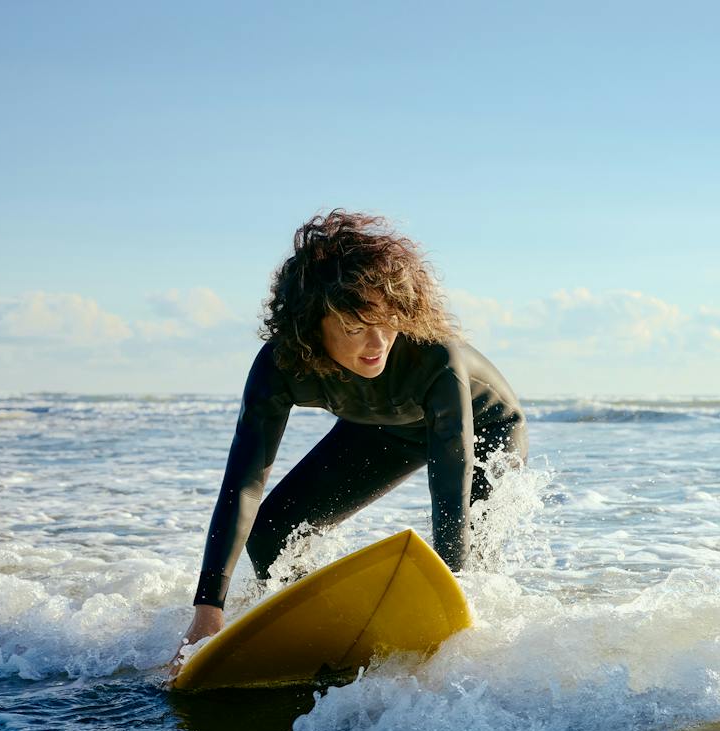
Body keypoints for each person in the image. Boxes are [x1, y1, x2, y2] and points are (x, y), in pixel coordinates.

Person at [175, 210, 526, 657]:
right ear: (311, 325)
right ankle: (321, 629)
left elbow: (449, 493)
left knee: (467, 557)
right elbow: (244, 481)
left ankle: (475, 652)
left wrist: (450, 601)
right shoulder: (281, 365)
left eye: (387, 322)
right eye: (356, 328)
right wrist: (208, 609)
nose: (378, 343)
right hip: (380, 427)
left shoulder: (434, 360)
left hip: (483, 433)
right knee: (272, 534)